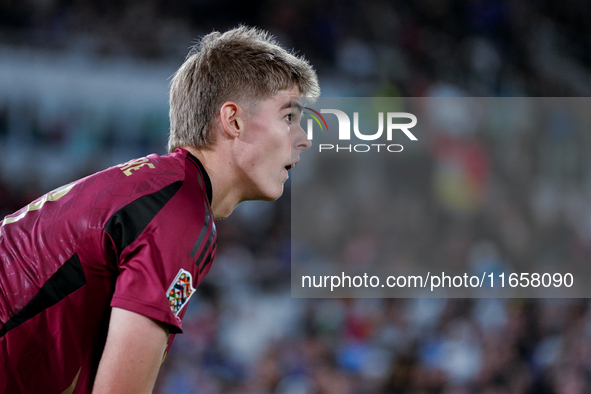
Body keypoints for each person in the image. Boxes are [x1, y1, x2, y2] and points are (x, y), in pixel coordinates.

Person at [0, 26, 319, 393]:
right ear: (233, 121)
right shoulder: (179, 213)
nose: (304, 138)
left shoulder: (160, 189)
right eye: (288, 118)